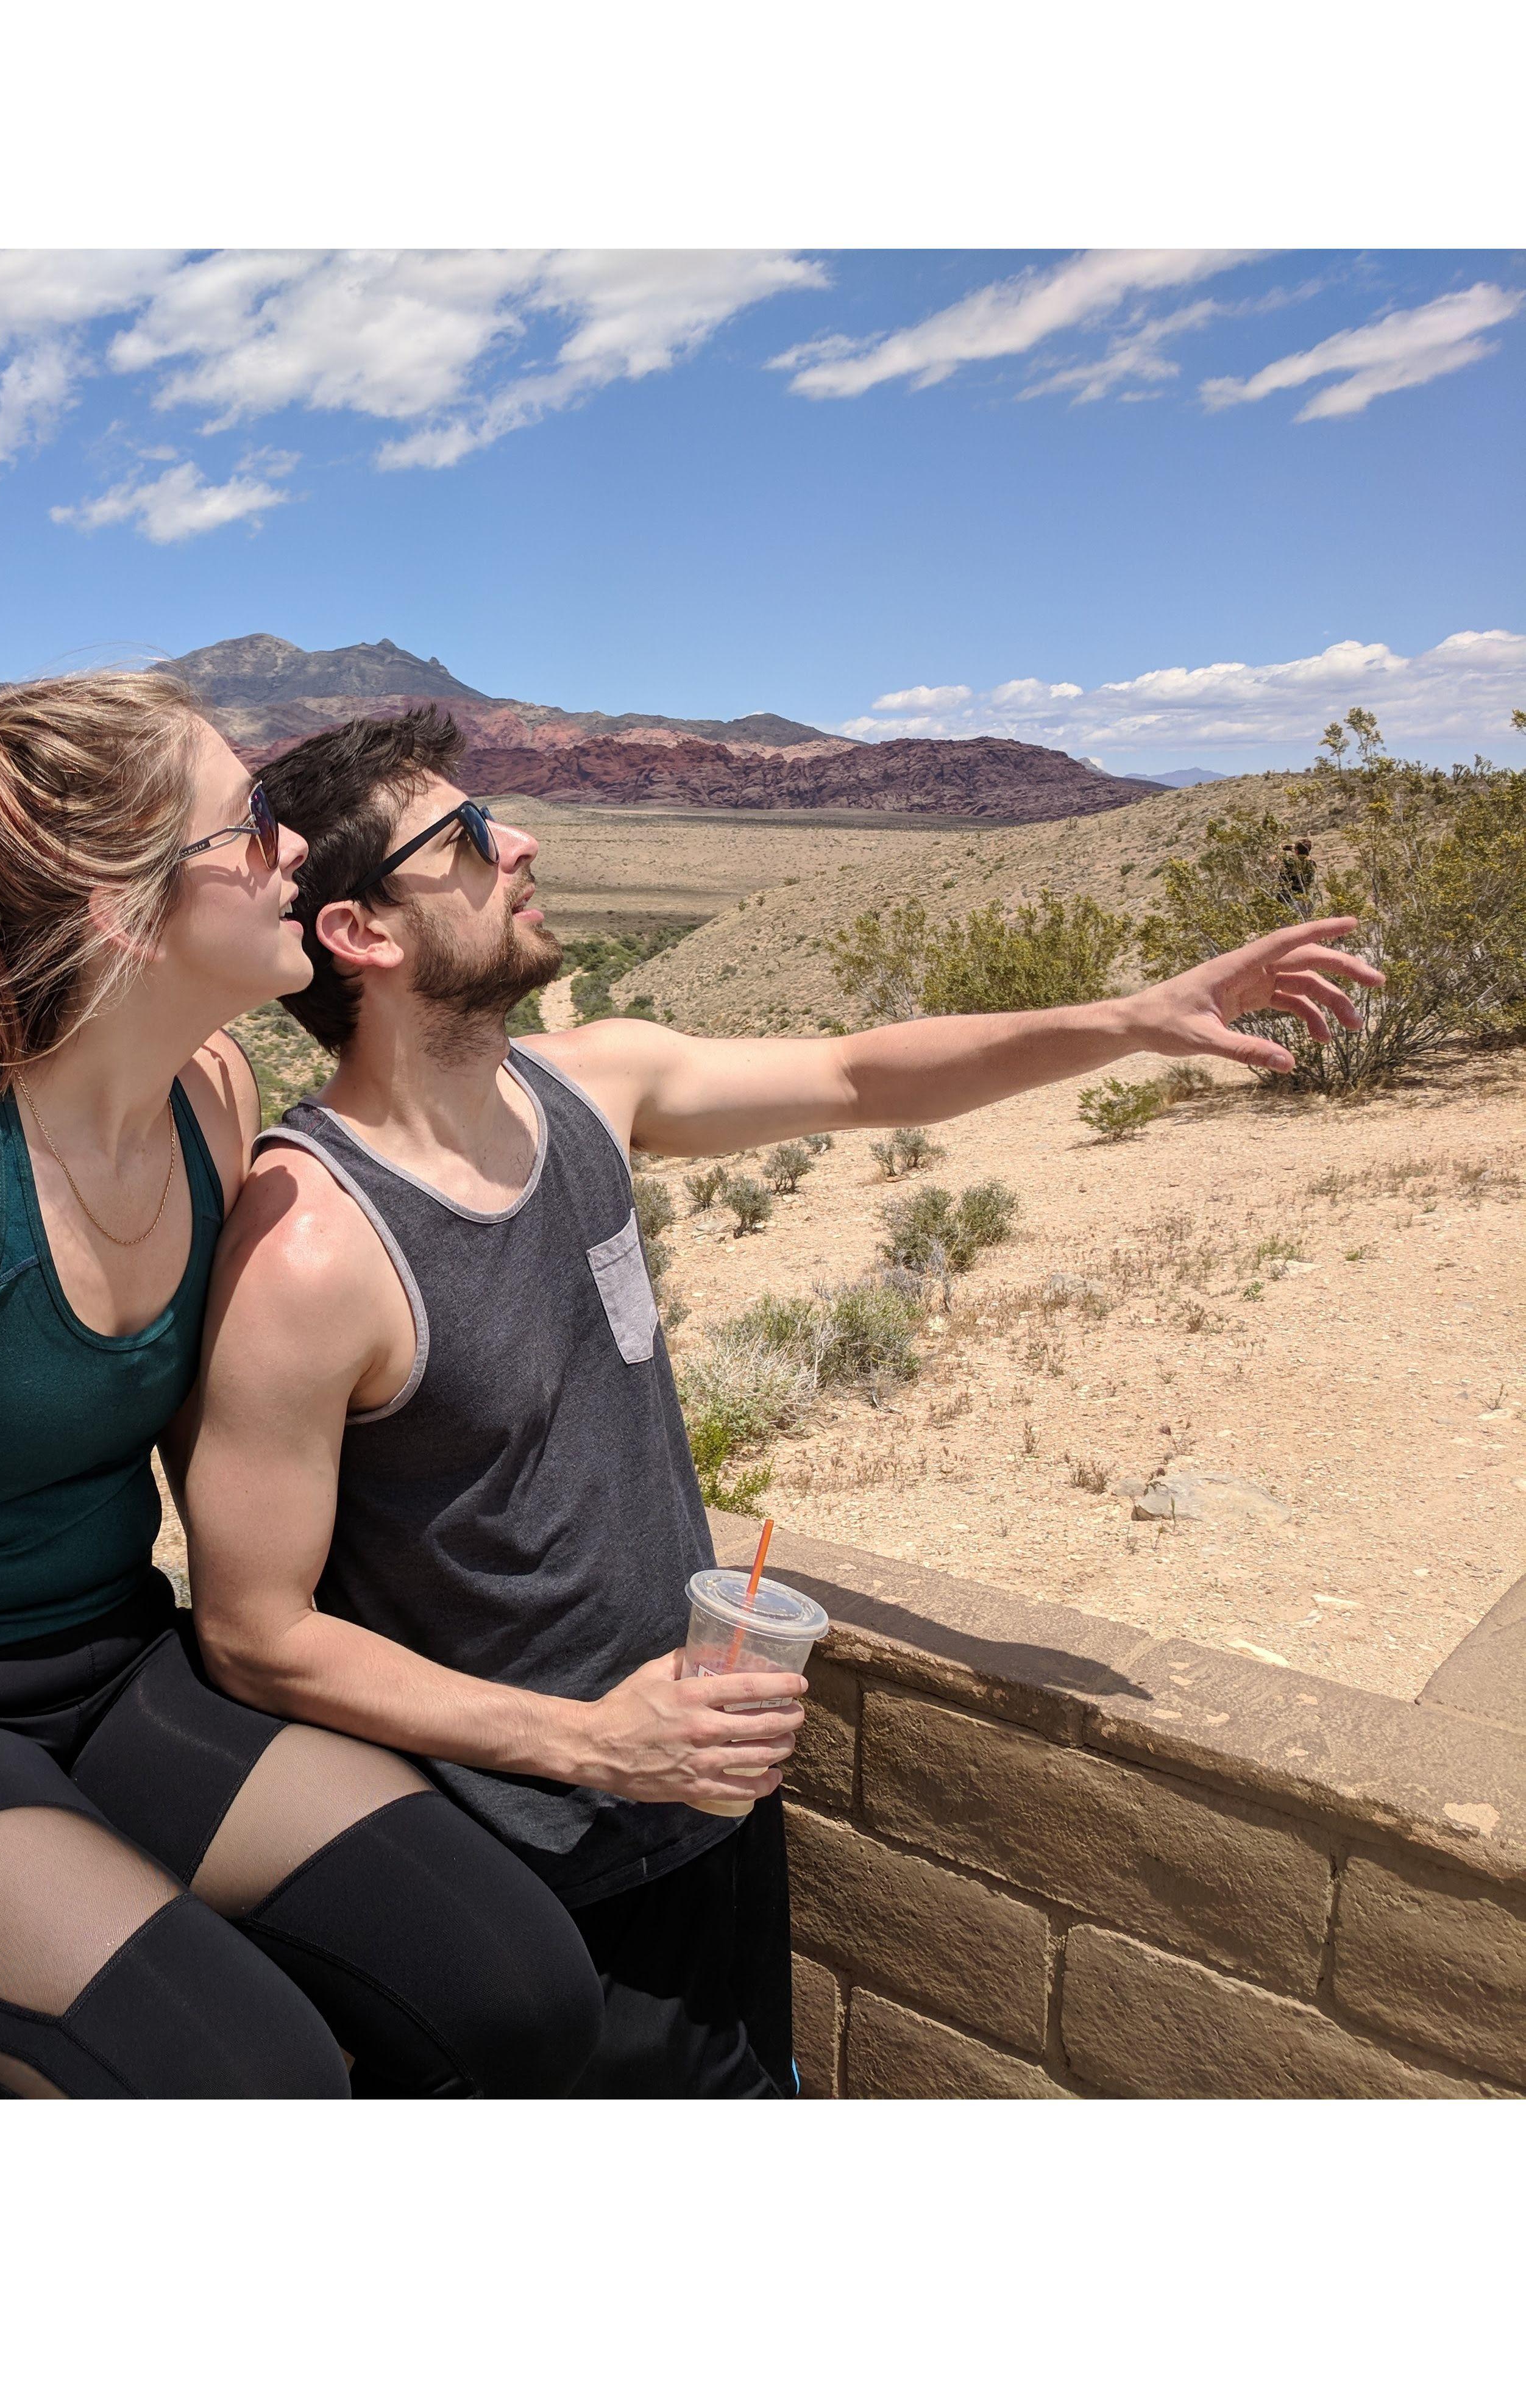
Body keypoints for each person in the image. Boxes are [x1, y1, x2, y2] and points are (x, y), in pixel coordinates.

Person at [183, 705, 1383, 2097]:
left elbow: (859, 1074)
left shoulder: (588, 1086)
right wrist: (585, 1739)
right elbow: (251, 1635)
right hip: (519, 1864)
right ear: (363, 934)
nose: (519, 844)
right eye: (461, 838)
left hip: (703, 1799)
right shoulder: (313, 1249)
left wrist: (1119, 1021)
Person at [0, 675, 603, 2099]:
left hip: (116, 1666)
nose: (292, 850)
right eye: (253, 826)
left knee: (517, 1987)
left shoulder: (206, 1094)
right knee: (256, 2079)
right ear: (120, 907)